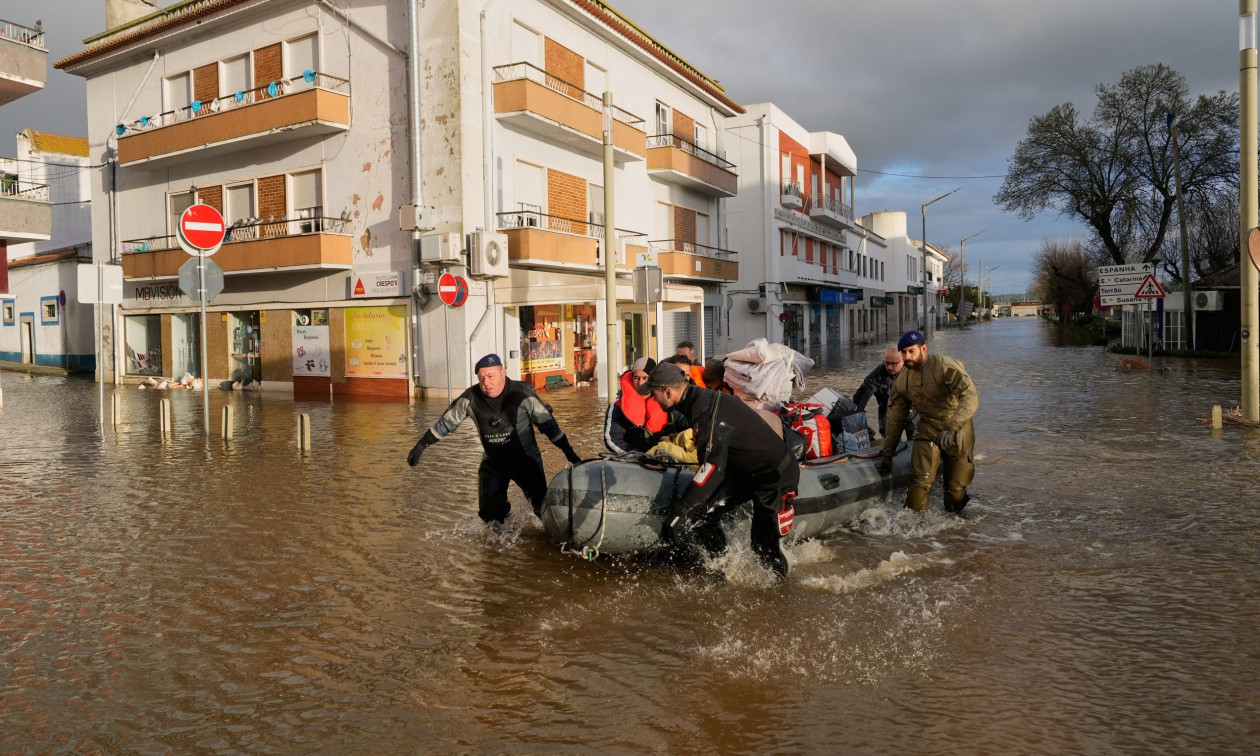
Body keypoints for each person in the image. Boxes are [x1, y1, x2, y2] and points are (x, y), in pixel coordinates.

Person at [640, 362, 799, 579]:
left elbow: (712, 469)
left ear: (668, 392)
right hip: (745, 470)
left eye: (654, 394)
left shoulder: (708, 412)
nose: (653, 400)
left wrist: (680, 512)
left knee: (762, 546)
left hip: (773, 474)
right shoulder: (696, 402)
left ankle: (781, 593)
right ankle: (722, 572)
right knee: (704, 518)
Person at [406, 353, 583, 524]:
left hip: (525, 461)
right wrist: (422, 445)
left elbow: (549, 425)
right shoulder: (470, 398)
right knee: (491, 517)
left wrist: (569, 452)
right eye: (481, 378)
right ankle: (504, 546)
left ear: (502, 373)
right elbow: (445, 424)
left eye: (490, 376)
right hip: (493, 463)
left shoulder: (522, 394)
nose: (486, 383)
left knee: (542, 510)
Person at [877, 331, 979, 515]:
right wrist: (887, 453)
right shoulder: (903, 379)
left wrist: (952, 427)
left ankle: (958, 532)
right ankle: (915, 533)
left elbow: (970, 398)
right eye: (903, 352)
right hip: (928, 428)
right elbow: (895, 417)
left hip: (958, 429)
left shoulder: (944, 366)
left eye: (911, 351)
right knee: (918, 484)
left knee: (954, 492)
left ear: (924, 348)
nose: (907, 357)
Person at [604, 357, 690, 453]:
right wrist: (635, 455)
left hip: (663, 454)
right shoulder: (618, 406)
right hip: (632, 458)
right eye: (636, 378)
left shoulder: (668, 399)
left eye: (645, 378)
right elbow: (612, 439)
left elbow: (686, 425)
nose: (640, 383)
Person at [853, 345, 917, 440]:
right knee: (890, 443)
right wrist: (857, 414)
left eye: (893, 364)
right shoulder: (879, 372)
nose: (889, 367)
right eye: (887, 363)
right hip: (888, 412)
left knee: (917, 442)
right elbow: (864, 392)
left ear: (903, 361)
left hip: (911, 412)